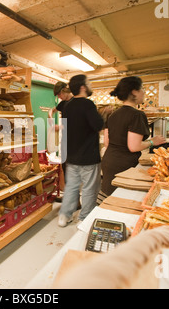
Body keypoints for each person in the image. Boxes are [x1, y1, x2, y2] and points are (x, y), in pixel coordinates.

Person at [101, 76, 166, 196]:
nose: (144, 92)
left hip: (109, 160)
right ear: (134, 92)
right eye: (142, 88)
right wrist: (153, 142)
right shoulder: (137, 115)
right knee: (121, 198)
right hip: (124, 165)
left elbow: (107, 142)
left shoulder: (113, 114)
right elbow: (134, 147)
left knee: (109, 197)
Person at [57, 74, 104, 227]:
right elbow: (98, 125)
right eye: (89, 83)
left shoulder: (68, 105)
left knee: (71, 187)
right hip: (88, 156)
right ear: (83, 87)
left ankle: (64, 216)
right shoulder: (88, 105)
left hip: (71, 156)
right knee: (90, 189)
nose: (91, 85)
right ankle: (84, 218)